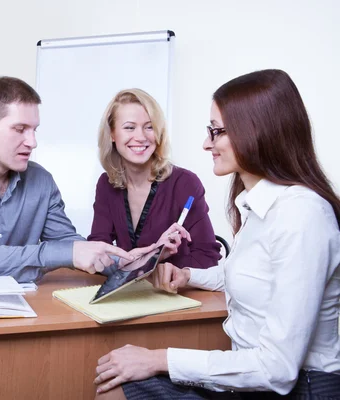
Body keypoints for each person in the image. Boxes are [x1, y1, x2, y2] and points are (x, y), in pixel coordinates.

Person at [93, 69, 340, 399]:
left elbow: (277, 369)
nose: (206, 143)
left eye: (217, 132)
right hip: (249, 380)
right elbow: (250, 275)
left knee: (121, 383)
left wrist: (157, 359)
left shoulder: (302, 216)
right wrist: (187, 274)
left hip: (297, 387)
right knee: (115, 385)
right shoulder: (258, 206)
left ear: (256, 132)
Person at [0, 77, 173, 282]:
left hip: (13, 309)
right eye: (20, 130)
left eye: (34, 130)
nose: (32, 142)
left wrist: (127, 261)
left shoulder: (40, 180)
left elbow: (66, 242)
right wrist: (67, 254)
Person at [88, 88, 221, 269]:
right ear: (112, 133)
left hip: (172, 293)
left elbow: (207, 258)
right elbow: (97, 250)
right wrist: (148, 258)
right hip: (127, 295)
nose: (141, 137)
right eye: (129, 127)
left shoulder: (185, 184)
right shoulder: (106, 184)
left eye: (149, 127)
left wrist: (154, 264)